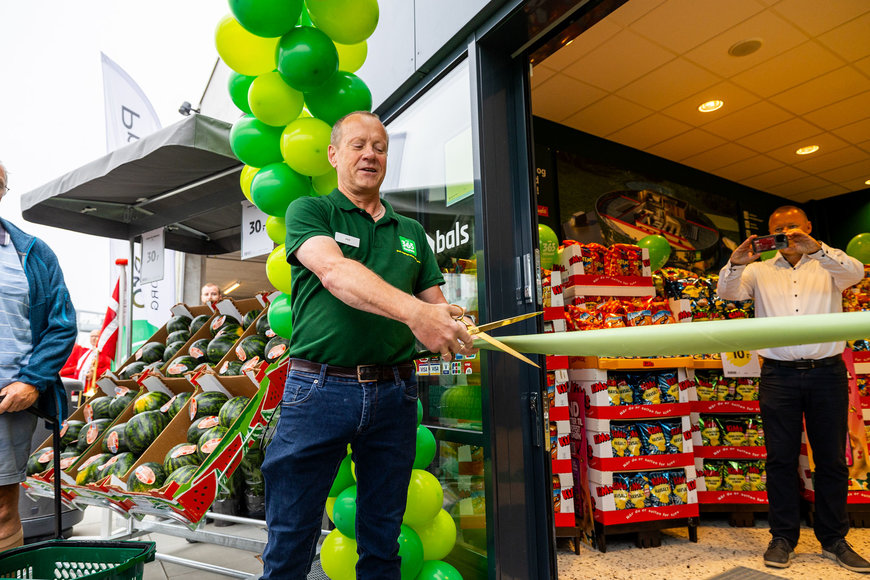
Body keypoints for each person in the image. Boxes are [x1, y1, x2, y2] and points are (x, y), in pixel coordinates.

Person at [261, 112, 477, 579]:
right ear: (334, 155)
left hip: (394, 395)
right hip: (317, 390)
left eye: (379, 147)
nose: (370, 155)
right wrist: (418, 315)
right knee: (290, 538)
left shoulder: (412, 233)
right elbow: (336, 274)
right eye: (358, 145)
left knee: (383, 538)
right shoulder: (311, 211)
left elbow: (436, 305)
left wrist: (462, 327)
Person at [717, 205, 866, 573]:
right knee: (780, 459)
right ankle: (783, 537)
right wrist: (735, 262)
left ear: (809, 227)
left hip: (827, 372)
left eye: (793, 226)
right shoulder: (758, 269)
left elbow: (856, 274)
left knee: (831, 460)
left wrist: (817, 249)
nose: (788, 233)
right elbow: (728, 293)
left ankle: (834, 539)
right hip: (778, 375)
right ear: (769, 235)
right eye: (779, 229)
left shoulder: (830, 263)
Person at [0, 160, 77, 551]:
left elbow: (61, 324)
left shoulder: (31, 252)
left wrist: (32, 380)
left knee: (1, 511)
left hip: (6, 405)